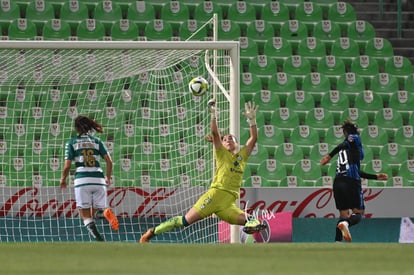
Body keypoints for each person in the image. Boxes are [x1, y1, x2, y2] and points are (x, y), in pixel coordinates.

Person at [140, 100, 267, 243]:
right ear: (222, 145)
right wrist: (213, 114)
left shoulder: (241, 157)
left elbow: (253, 138)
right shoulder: (221, 153)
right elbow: (214, 132)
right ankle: (152, 232)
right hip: (214, 196)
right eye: (225, 139)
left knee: (252, 221)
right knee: (184, 221)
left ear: (237, 143)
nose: (228, 140)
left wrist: (252, 120)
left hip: (228, 203)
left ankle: (253, 233)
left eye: (231, 138)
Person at [320, 119, 388, 242]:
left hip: (338, 182)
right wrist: (329, 156)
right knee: (359, 213)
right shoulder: (354, 138)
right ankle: (347, 224)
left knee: (343, 215)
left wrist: (375, 177)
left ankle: (337, 242)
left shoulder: (345, 153)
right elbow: (344, 144)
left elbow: (358, 170)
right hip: (351, 181)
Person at [60, 115, 119, 242]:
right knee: (96, 213)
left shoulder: (72, 143)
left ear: (76, 128)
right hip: (98, 180)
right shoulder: (97, 142)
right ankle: (104, 213)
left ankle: (100, 241)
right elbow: (109, 161)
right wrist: (107, 177)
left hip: (82, 180)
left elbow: (67, 166)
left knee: (85, 215)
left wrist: (63, 179)